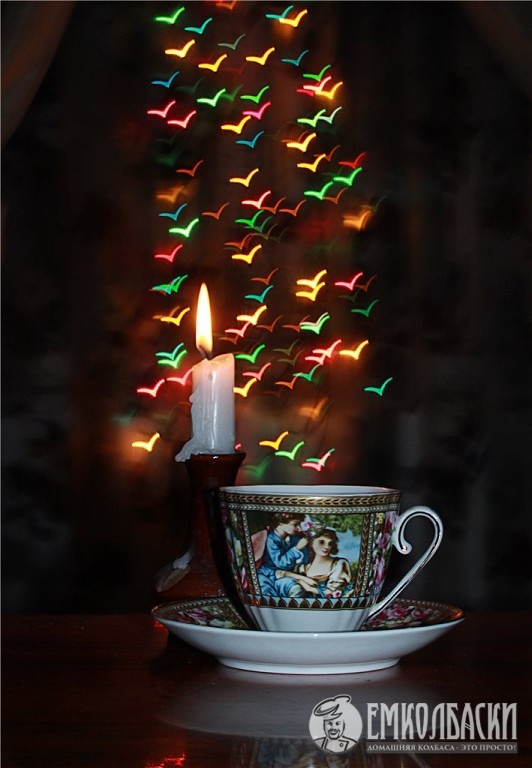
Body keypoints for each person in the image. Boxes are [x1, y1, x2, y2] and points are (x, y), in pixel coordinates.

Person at [276, 527, 352, 598]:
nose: (327, 547)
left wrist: (309, 588)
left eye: (330, 543)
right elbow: (279, 573)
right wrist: (305, 579)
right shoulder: (303, 568)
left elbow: (334, 592)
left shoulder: (339, 564)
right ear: (311, 543)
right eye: (321, 542)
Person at [256, 512, 310, 598]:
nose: (298, 528)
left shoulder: (294, 538)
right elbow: (281, 563)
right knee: (268, 597)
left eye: (299, 524)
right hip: (267, 576)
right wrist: (297, 549)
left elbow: (305, 559)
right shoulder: (272, 539)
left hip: (284, 576)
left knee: (297, 589)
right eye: (295, 524)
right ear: (280, 522)